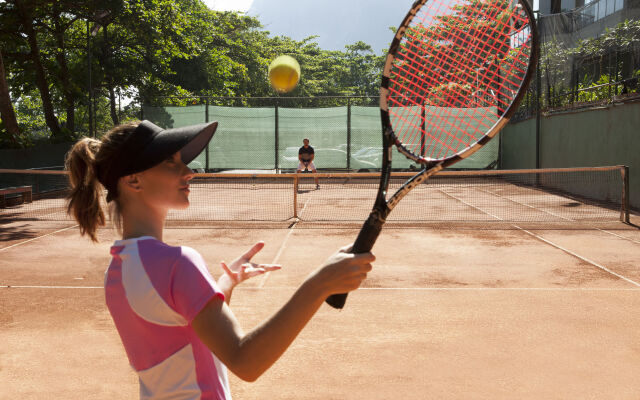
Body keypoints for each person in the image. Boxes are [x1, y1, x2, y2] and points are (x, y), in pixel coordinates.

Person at [64, 120, 374, 400]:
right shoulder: (178, 263)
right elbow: (245, 361)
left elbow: (176, 332)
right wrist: (319, 284)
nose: (189, 171)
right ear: (133, 181)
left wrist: (223, 285)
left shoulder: (118, 269)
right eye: (171, 163)